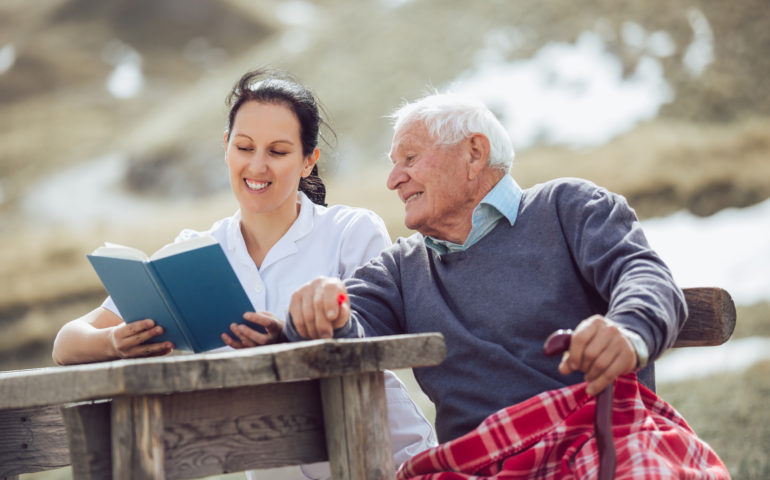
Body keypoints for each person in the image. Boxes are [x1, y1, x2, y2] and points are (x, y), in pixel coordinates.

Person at [283, 93, 729, 477]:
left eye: (410, 159)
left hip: (594, 436)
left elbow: (645, 276)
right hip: (476, 466)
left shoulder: (568, 206)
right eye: (393, 164)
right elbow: (351, 322)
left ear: (474, 154)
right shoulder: (402, 267)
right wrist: (325, 310)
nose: (393, 178)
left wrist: (628, 330)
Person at [51, 68, 436, 479]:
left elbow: (371, 343)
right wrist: (116, 341)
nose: (257, 165)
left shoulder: (351, 232)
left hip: (383, 460)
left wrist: (289, 338)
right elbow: (66, 343)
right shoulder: (192, 251)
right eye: (245, 147)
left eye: (278, 151)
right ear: (226, 148)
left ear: (308, 161)